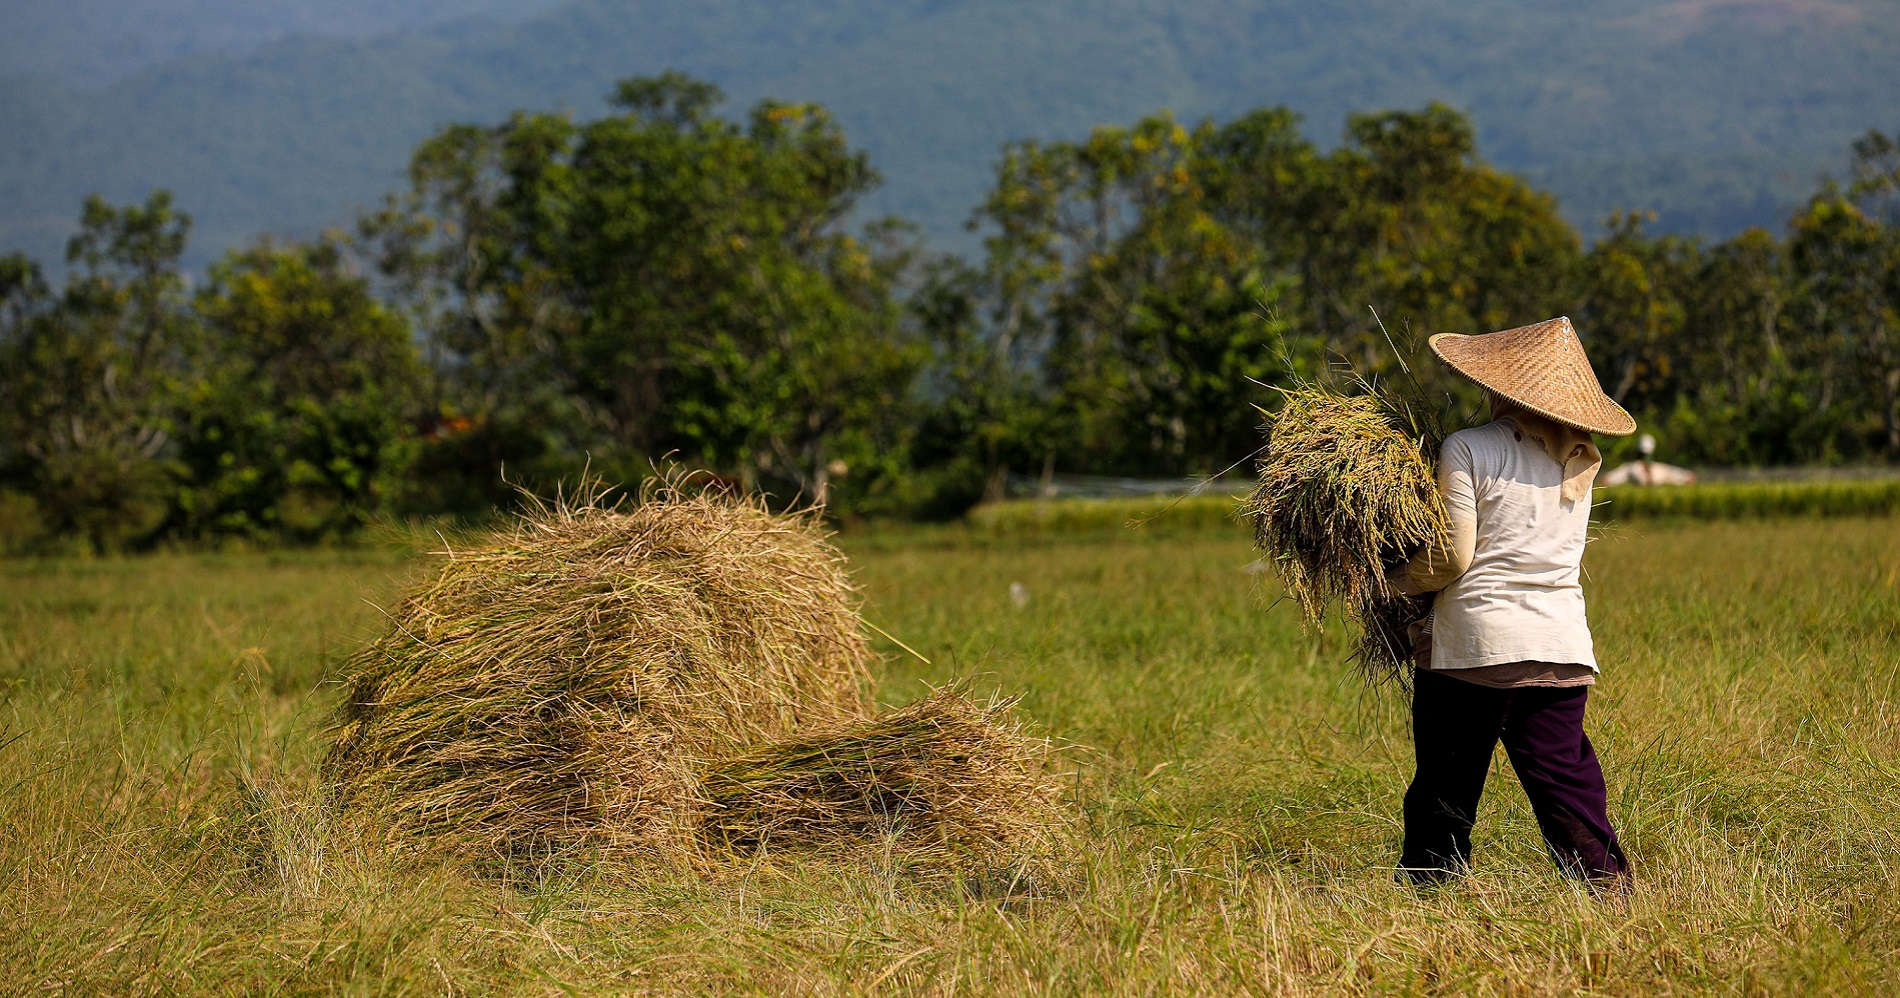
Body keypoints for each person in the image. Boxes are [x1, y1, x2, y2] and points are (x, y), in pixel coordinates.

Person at [1388, 316, 1633, 889]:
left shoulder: (1467, 447)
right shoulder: (1581, 456)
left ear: (1500, 387)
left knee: (1448, 780)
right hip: (1560, 645)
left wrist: (1388, 581)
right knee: (1565, 779)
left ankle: (1431, 889)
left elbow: (1451, 559)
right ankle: (1607, 885)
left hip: (1475, 647)